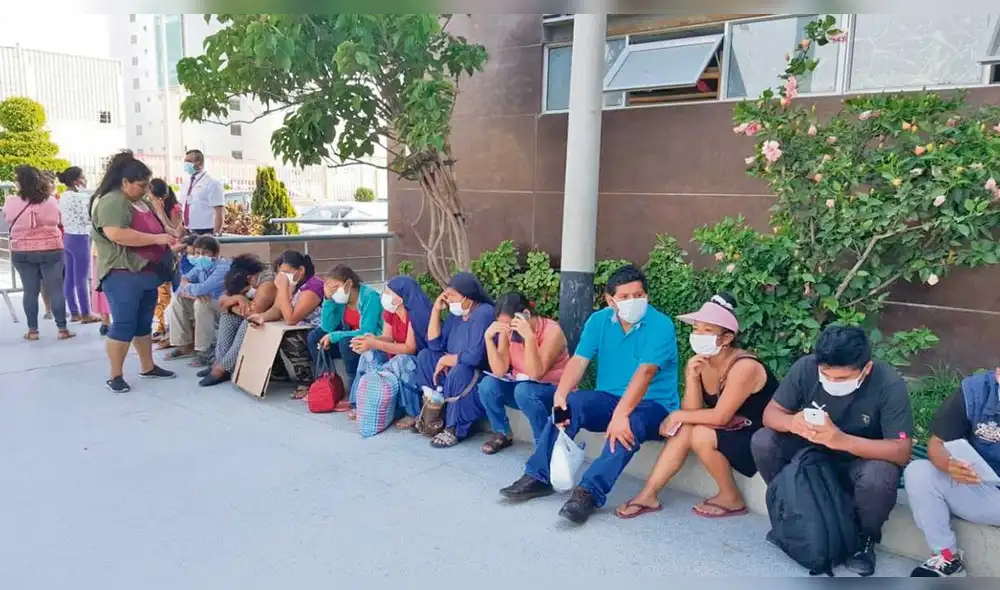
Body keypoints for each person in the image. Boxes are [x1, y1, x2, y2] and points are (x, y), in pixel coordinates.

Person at [499, 265, 679, 525]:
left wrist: (621, 415)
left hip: (653, 405)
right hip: (608, 397)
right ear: (610, 299)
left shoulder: (661, 325)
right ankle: (538, 476)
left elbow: (645, 374)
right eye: (625, 297)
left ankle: (588, 492)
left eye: (638, 295)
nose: (633, 302)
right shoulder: (599, 321)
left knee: (630, 424)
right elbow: (579, 361)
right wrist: (561, 395)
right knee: (571, 404)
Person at [751, 325, 913, 577]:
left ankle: (864, 540)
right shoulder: (806, 368)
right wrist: (792, 422)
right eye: (826, 375)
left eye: (842, 378)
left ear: (866, 369)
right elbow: (771, 414)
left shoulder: (888, 383)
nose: (832, 383)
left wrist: (842, 440)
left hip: (860, 459)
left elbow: (902, 450)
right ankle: (791, 509)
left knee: (878, 475)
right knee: (764, 441)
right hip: (811, 452)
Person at [616, 293, 777, 520]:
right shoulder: (702, 362)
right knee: (687, 428)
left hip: (760, 437)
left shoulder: (744, 367)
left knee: (700, 433)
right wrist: (691, 377)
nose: (698, 336)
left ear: (727, 338)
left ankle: (731, 497)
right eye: (697, 329)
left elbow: (720, 417)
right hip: (732, 429)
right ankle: (648, 495)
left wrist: (677, 415)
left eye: (707, 331)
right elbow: (691, 414)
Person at [89, 151, 176, 392]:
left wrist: (171, 235)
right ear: (125, 181)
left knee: (142, 322)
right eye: (141, 185)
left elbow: (161, 225)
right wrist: (158, 238)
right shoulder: (112, 201)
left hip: (147, 271)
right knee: (124, 323)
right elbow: (118, 234)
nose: (145, 189)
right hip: (122, 272)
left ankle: (147, 366)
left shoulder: (141, 200)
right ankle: (115, 375)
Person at [905, 368, 1000, 577]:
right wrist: (950, 466)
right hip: (983, 489)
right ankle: (946, 558)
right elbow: (936, 444)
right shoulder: (975, 391)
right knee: (919, 472)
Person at [476, 292, 569, 454]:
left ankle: (544, 444)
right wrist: (488, 340)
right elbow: (500, 370)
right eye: (503, 325)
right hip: (522, 389)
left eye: (510, 325)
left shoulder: (552, 332)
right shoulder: (509, 331)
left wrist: (530, 338)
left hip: (553, 392)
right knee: (487, 385)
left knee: (524, 390)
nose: (508, 330)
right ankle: (502, 433)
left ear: (525, 314)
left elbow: (536, 373)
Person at [414, 272, 495, 448]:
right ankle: (433, 417)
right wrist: (436, 310)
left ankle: (454, 428)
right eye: (447, 295)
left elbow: (475, 356)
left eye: (453, 295)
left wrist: (449, 360)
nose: (449, 299)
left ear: (468, 297)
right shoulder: (456, 314)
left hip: (475, 373)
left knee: (460, 369)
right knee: (426, 356)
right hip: (452, 366)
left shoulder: (484, 313)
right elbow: (435, 344)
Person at [347, 276, 433, 429]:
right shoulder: (391, 312)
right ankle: (362, 402)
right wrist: (372, 339)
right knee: (369, 353)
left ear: (401, 297)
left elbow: (409, 348)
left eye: (388, 292)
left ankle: (412, 412)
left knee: (402, 360)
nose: (384, 295)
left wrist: (376, 343)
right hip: (395, 356)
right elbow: (388, 337)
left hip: (415, 362)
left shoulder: (415, 314)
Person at [2, 165, 73, 340]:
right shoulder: (50, 200)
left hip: (22, 250)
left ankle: (33, 331)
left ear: (19, 183)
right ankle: (62, 329)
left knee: (29, 290)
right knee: (56, 289)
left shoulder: (11, 200)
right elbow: (57, 220)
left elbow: (7, 218)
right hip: (51, 248)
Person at [246, 250, 324, 398]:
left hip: (317, 330)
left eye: (286, 272)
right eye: (280, 273)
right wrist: (261, 317)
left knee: (291, 337)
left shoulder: (313, 286)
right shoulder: (291, 286)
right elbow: (277, 309)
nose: (283, 277)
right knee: (264, 328)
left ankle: (306, 382)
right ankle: (278, 372)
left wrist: (282, 288)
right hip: (300, 326)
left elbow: (291, 318)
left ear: (300, 270)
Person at [309, 265, 383, 413]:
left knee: (346, 342)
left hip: (373, 340)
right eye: (330, 288)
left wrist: (334, 336)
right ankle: (325, 383)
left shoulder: (369, 297)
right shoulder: (340, 300)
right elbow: (327, 326)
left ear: (349, 284)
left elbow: (367, 331)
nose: (334, 292)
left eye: (336, 287)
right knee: (315, 337)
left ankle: (353, 393)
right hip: (351, 338)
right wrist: (328, 300)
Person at [198, 255, 277, 387]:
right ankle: (220, 361)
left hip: (267, 318)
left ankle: (223, 368)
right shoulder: (239, 278)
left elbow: (253, 312)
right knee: (227, 316)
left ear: (250, 279)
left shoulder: (267, 283)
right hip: (252, 316)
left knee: (248, 322)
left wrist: (231, 305)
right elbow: (222, 300)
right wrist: (238, 298)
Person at [163, 235, 230, 362]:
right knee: (178, 300)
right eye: (197, 252)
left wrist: (190, 289)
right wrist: (191, 292)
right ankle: (184, 345)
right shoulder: (200, 265)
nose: (200, 256)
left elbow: (202, 288)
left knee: (201, 303)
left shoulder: (223, 267)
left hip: (225, 308)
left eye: (205, 253)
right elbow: (179, 285)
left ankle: (204, 350)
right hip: (207, 302)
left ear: (215, 254)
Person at [57, 166, 99, 324]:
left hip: (67, 237)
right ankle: (86, 313)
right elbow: (88, 218)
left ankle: (74, 312)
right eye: (82, 177)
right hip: (80, 237)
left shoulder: (63, 196)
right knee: (81, 278)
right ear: (76, 181)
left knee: (69, 278)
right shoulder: (80, 197)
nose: (85, 180)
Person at [148, 178, 184, 342]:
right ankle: (161, 326)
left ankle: (173, 330)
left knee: (175, 293)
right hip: (159, 254)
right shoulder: (146, 208)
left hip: (173, 253)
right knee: (161, 294)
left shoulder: (175, 208)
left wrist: (161, 213)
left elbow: (175, 231)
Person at [179, 149, 224, 236]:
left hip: (206, 231)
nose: (186, 164)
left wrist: (216, 233)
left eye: (189, 162)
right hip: (188, 229)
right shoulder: (186, 184)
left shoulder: (212, 183)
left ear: (199, 164)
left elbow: (219, 211)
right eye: (185, 161)